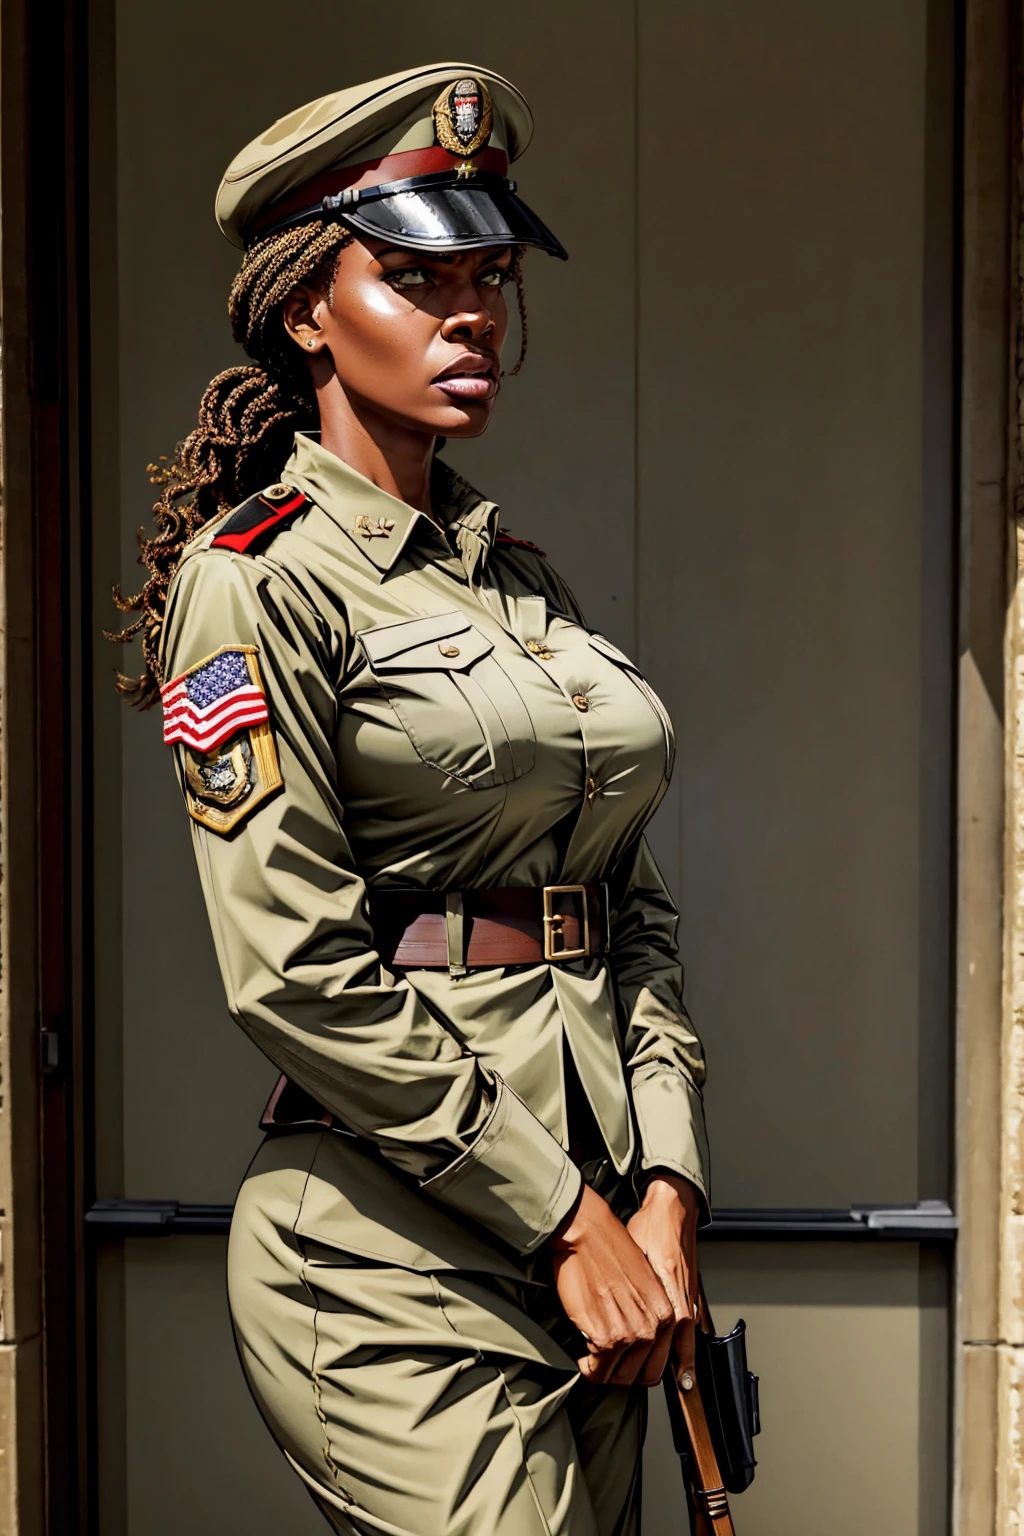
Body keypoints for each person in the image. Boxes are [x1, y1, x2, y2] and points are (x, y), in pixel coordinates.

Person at [111, 62, 710, 1536]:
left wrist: (667, 1190)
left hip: (603, 1248)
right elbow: (293, 975)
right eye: (419, 275)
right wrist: (565, 1214)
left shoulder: (525, 587)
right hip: (394, 1259)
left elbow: (629, 915)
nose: (473, 317)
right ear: (308, 306)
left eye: (492, 277)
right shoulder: (256, 582)